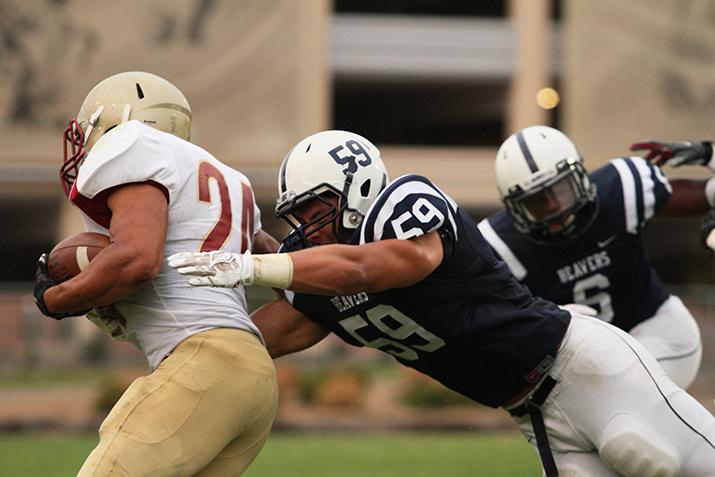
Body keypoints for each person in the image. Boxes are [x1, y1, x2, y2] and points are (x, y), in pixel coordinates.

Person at [169, 130, 715, 476]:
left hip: (582, 365)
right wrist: (167, 330)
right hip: (535, 413)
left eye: (317, 210)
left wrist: (252, 266)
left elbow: (375, 267)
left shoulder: (404, 205)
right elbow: (249, 344)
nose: (306, 229)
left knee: (659, 458)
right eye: (298, 218)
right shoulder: (317, 280)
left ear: (359, 191)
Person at [33, 71, 278, 476]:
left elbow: (138, 260)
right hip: (255, 377)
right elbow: (280, 270)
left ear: (121, 120)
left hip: (202, 364)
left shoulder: (132, 143)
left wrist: (56, 299)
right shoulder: (231, 180)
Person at [475, 125, 707, 390]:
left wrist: (710, 154)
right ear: (515, 208)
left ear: (580, 177)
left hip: (658, 332)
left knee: (626, 399)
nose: (553, 207)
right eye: (537, 202)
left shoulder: (619, 188)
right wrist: (543, 320)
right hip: (584, 360)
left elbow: (708, 194)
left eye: (560, 190)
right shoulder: (499, 244)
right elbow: (493, 326)